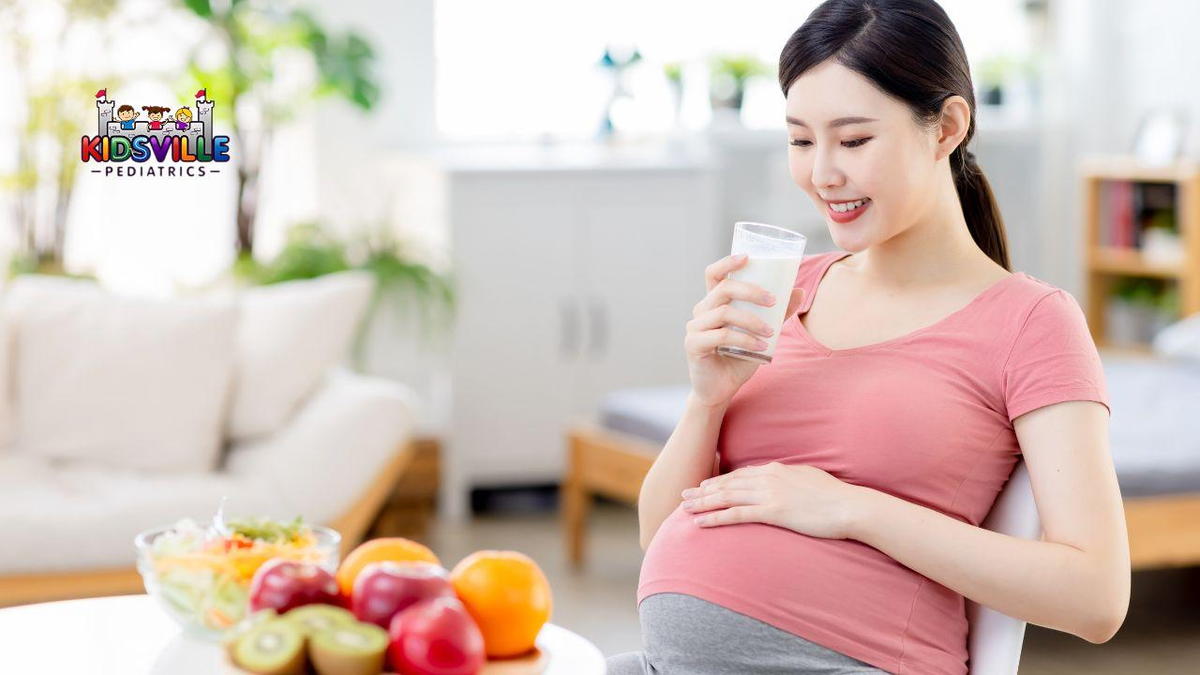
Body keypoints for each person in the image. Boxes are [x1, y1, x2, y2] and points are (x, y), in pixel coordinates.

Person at [606, 1, 1129, 673]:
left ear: (946, 127)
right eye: (800, 140)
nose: (822, 173)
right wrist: (706, 399)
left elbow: (1097, 595)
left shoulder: (1032, 322)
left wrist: (850, 507)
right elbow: (660, 533)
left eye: (853, 141)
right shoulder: (785, 289)